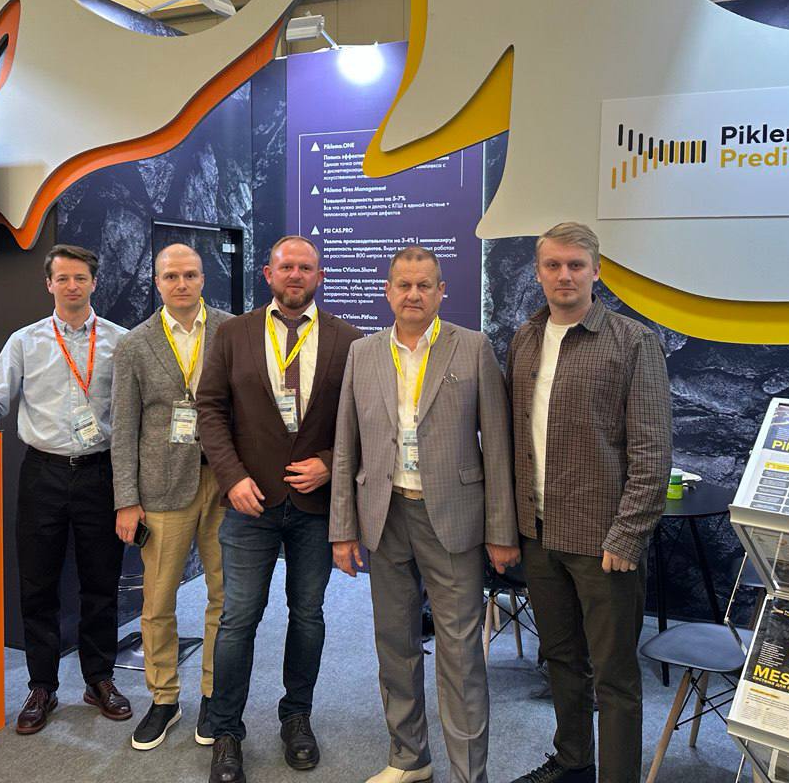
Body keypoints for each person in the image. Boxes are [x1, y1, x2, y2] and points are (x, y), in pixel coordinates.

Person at [331, 246, 519, 783]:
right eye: (404, 285)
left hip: (454, 519)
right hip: (384, 515)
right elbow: (346, 446)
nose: (413, 294)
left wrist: (501, 530)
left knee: (460, 655)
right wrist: (343, 529)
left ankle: (468, 775)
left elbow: (497, 445)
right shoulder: (363, 353)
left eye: (424, 285)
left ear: (442, 292)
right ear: (388, 291)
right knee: (394, 644)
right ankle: (408, 758)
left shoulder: (472, 348)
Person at [506, 223, 672, 783]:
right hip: (539, 535)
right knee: (560, 659)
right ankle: (574, 760)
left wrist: (628, 535)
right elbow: (515, 438)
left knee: (615, 677)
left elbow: (652, 450)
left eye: (576, 265)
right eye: (553, 265)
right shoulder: (525, 339)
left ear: (596, 271)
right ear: (538, 272)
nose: (565, 276)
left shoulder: (632, 342)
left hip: (603, 542)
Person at [196, 235, 362, 783]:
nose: (295, 275)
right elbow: (210, 410)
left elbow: (365, 420)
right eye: (286, 266)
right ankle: (226, 731)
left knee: (308, 616)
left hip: (315, 507)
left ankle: (296, 718)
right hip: (250, 503)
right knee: (238, 618)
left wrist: (331, 463)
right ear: (268, 274)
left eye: (306, 267)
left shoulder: (349, 341)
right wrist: (231, 477)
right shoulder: (233, 334)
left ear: (320, 275)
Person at [0, 243, 132, 736]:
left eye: (81, 278)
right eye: (63, 278)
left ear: (94, 282)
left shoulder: (120, 342)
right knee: (38, 584)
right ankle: (42, 685)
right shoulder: (25, 341)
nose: (72, 286)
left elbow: (135, 411)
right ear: (49, 284)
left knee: (100, 582)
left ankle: (99, 679)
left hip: (100, 473)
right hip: (43, 474)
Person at [111, 244, 233, 750]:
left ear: (203, 278)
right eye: (170, 276)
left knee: (225, 598)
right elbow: (124, 428)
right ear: (157, 282)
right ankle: (164, 698)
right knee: (158, 600)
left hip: (224, 482)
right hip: (161, 489)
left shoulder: (231, 331)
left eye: (189, 275)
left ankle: (213, 694)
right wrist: (126, 500)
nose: (181, 284)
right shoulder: (134, 344)